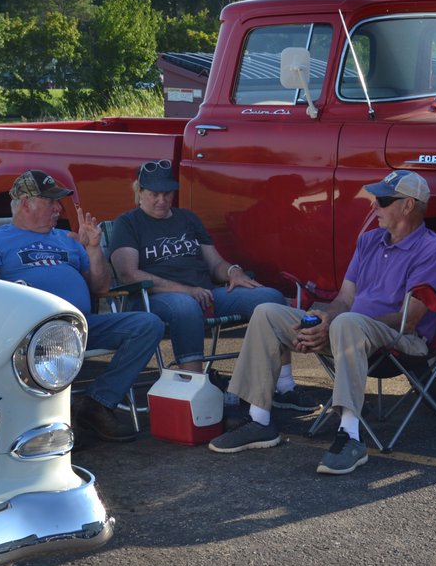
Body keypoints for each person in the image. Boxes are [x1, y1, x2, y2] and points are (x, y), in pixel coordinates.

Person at [207, 169, 436, 475]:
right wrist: (324, 320)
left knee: (347, 323)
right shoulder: (370, 241)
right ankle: (259, 420)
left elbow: (410, 319)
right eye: (375, 198)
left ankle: (350, 436)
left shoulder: (432, 250)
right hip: (346, 330)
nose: (374, 205)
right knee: (266, 312)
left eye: (384, 200)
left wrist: (341, 323)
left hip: (398, 337)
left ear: (409, 206)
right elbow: (344, 299)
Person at [0, 169, 164, 443]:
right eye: (51, 202)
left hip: (80, 325)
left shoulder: (66, 240)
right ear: (26, 204)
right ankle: (54, 422)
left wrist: (94, 249)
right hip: (31, 332)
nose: (59, 208)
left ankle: (97, 403)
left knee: (147, 324)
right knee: (48, 337)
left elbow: (101, 288)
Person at [109, 160, 314, 411]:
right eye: (154, 194)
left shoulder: (187, 218)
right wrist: (186, 290)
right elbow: (129, 274)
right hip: (154, 297)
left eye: (167, 193)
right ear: (139, 191)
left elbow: (214, 262)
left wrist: (232, 272)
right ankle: (194, 392)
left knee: (269, 297)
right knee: (185, 306)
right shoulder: (128, 223)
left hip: (205, 293)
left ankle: (284, 386)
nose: (162, 200)